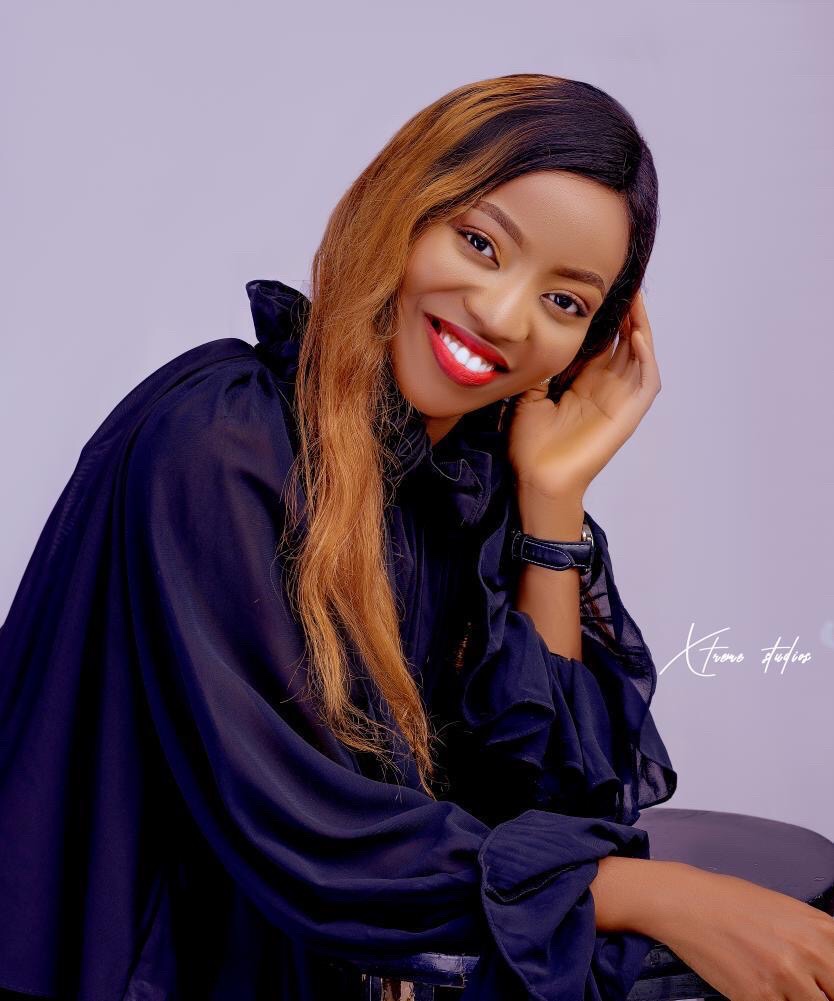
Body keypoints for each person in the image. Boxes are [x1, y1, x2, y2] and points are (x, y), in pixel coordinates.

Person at [1, 73, 833, 1001]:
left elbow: (544, 810)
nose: (504, 315)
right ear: (402, 208)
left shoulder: (461, 484)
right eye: (480, 243)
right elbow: (307, 835)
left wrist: (551, 499)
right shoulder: (219, 439)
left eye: (565, 302)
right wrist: (664, 895)